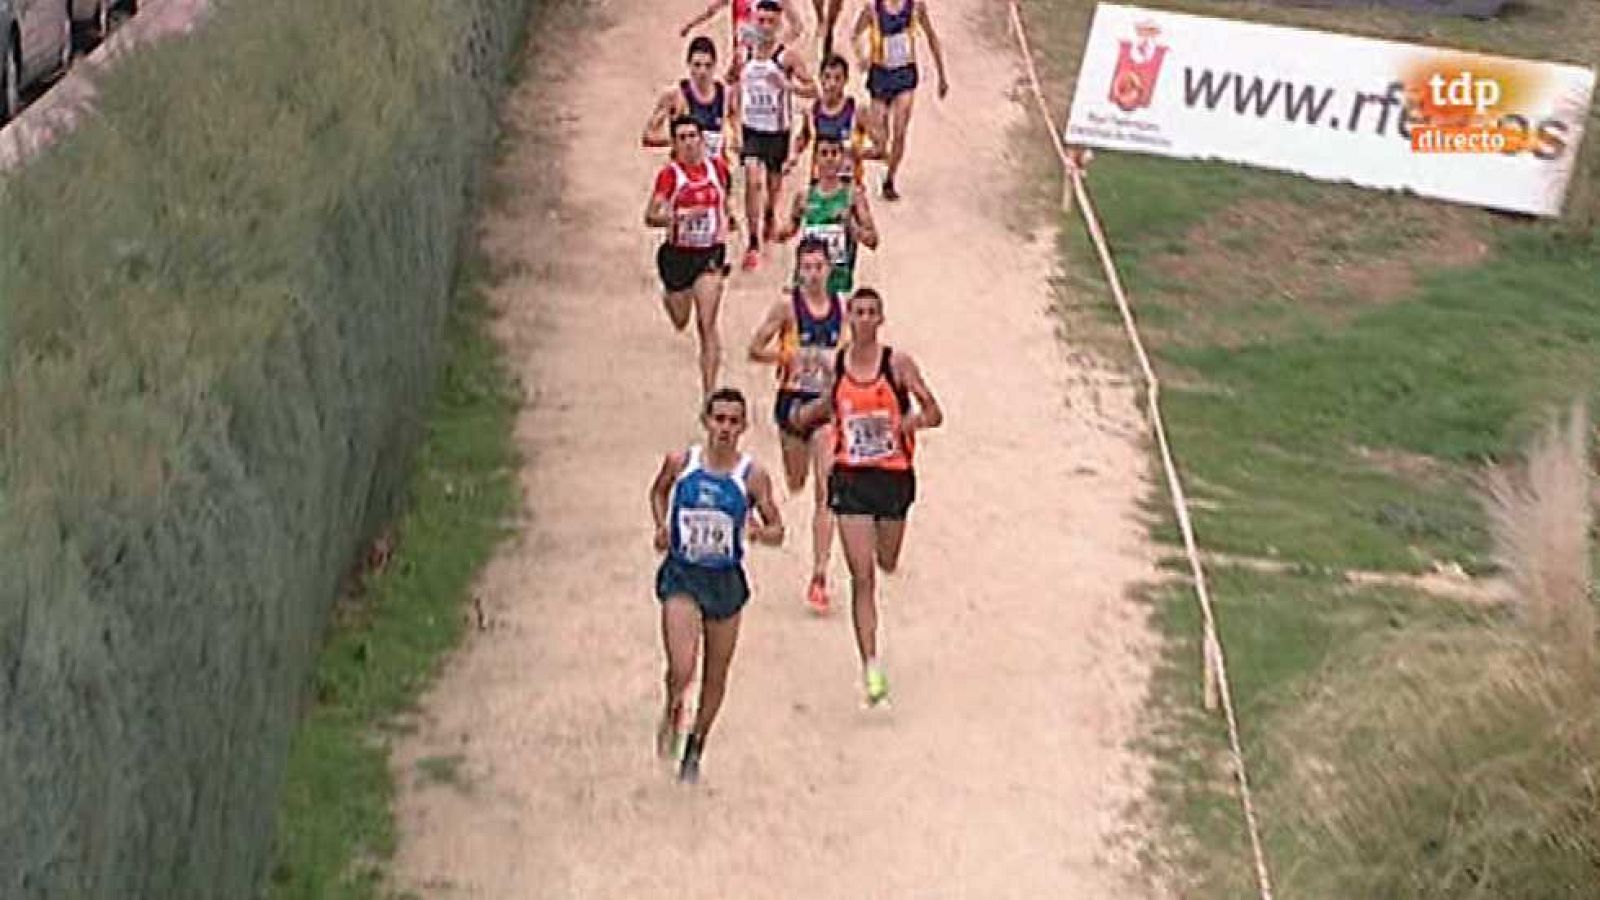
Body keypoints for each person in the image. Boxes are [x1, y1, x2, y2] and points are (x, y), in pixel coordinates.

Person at [788, 289, 942, 706]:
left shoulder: (897, 365)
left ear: (881, 318)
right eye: (857, 312)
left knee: (886, 561)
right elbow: (829, 403)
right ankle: (871, 665)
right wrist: (803, 416)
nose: (864, 319)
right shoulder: (838, 364)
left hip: (892, 478)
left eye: (872, 312)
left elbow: (934, 411)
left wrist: (906, 423)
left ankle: (883, 557)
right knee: (862, 576)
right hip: (851, 478)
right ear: (849, 319)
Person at [650, 387, 785, 784]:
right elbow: (658, 492)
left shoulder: (752, 477)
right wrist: (661, 525)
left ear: (743, 427)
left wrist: (761, 533)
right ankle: (673, 703)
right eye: (718, 419)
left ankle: (696, 745)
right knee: (682, 665)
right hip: (684, 573)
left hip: (725, 581)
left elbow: (778, 528)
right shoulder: (682, 462)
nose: (724, 428)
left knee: (715, 674)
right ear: (706, 421)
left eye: (733, 421)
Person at [747, 238, 847, 614]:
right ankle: (783, 490)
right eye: (805, 268)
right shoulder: (787, 309)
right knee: (796, 480)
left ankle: (819, 575)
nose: (812, 275)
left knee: (827, 490)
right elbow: (754, 348)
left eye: (818, 267)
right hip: (791, 406)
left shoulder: (844, 309)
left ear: (829, 269)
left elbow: (858, 354)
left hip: (825, 409)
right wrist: (786, 356)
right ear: (798, 270)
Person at [644, 115, 738, 397]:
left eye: (692, 136)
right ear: (674, 144)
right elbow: (650, 215)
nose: (688, 143)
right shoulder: (670, 176)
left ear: (701, 139)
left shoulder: (718, 170)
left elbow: (725, 200)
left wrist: (729, 218)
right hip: (678, 256)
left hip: (710, 254)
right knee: (680, 319)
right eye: (682, 138)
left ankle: (710, 394)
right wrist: (678, 216)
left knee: (706, 323)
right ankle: (669, 296)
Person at [729, 0, 816, 272]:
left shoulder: (786, 57)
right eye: (760, 21)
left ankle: (768, 217)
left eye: (770, 22)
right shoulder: (744, 54)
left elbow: (812, 89)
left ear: (779, 25)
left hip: (778, 131)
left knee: (772, 186)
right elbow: (730, 82)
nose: (765, 27)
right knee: (752, 180)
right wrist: (731, 122)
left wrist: (787, 86)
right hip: (751, 128)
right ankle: (753, 242)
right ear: (753, 21)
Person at [850, 0, 949, 201]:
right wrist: (862, 56)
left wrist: (942, 75)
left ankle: (890, 179)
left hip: (905, 75)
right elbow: (855, 34)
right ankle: (861, 126)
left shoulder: (916, 7)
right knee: (880, 141)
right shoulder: (872, 8)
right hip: (880, 76)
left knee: (900, 129)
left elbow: (932, 38)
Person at [774, 133, 878, 296]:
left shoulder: (853, 196)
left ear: (842, 158)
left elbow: (873, 241)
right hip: (806, 281)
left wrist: (851, 224)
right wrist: (776, 231)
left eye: (834, 153)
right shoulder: (804, 197)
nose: (829, 159)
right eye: (824, 153)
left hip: (839, 282)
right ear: (815, 159)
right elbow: (789, 230)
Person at [792, 54, 881, 184]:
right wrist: (793, 155)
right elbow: (802, 140)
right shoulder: (812, 110)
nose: (832, 84)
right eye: (827, 77)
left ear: (845, 80)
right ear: (820, 78)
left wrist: (858, 153)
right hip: (819, 185)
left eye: (837, 78)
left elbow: (880, 148)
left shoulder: (857, 111)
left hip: (848, 185)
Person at [643, 37, 732, 166]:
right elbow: (649, 136)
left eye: (708, 66)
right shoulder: (674, 95)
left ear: (715, 65)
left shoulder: (724, 94)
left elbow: (732, 136)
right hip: (683, 171)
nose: (702, 72)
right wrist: (681, 140)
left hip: (712, 170)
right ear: (688, 64)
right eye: (697, 65)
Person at [679, 0, 804, 80]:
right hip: (742, 58)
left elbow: (797, 27)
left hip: (767, 61)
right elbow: (712, 9)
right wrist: (691, 25)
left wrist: (776, 48)